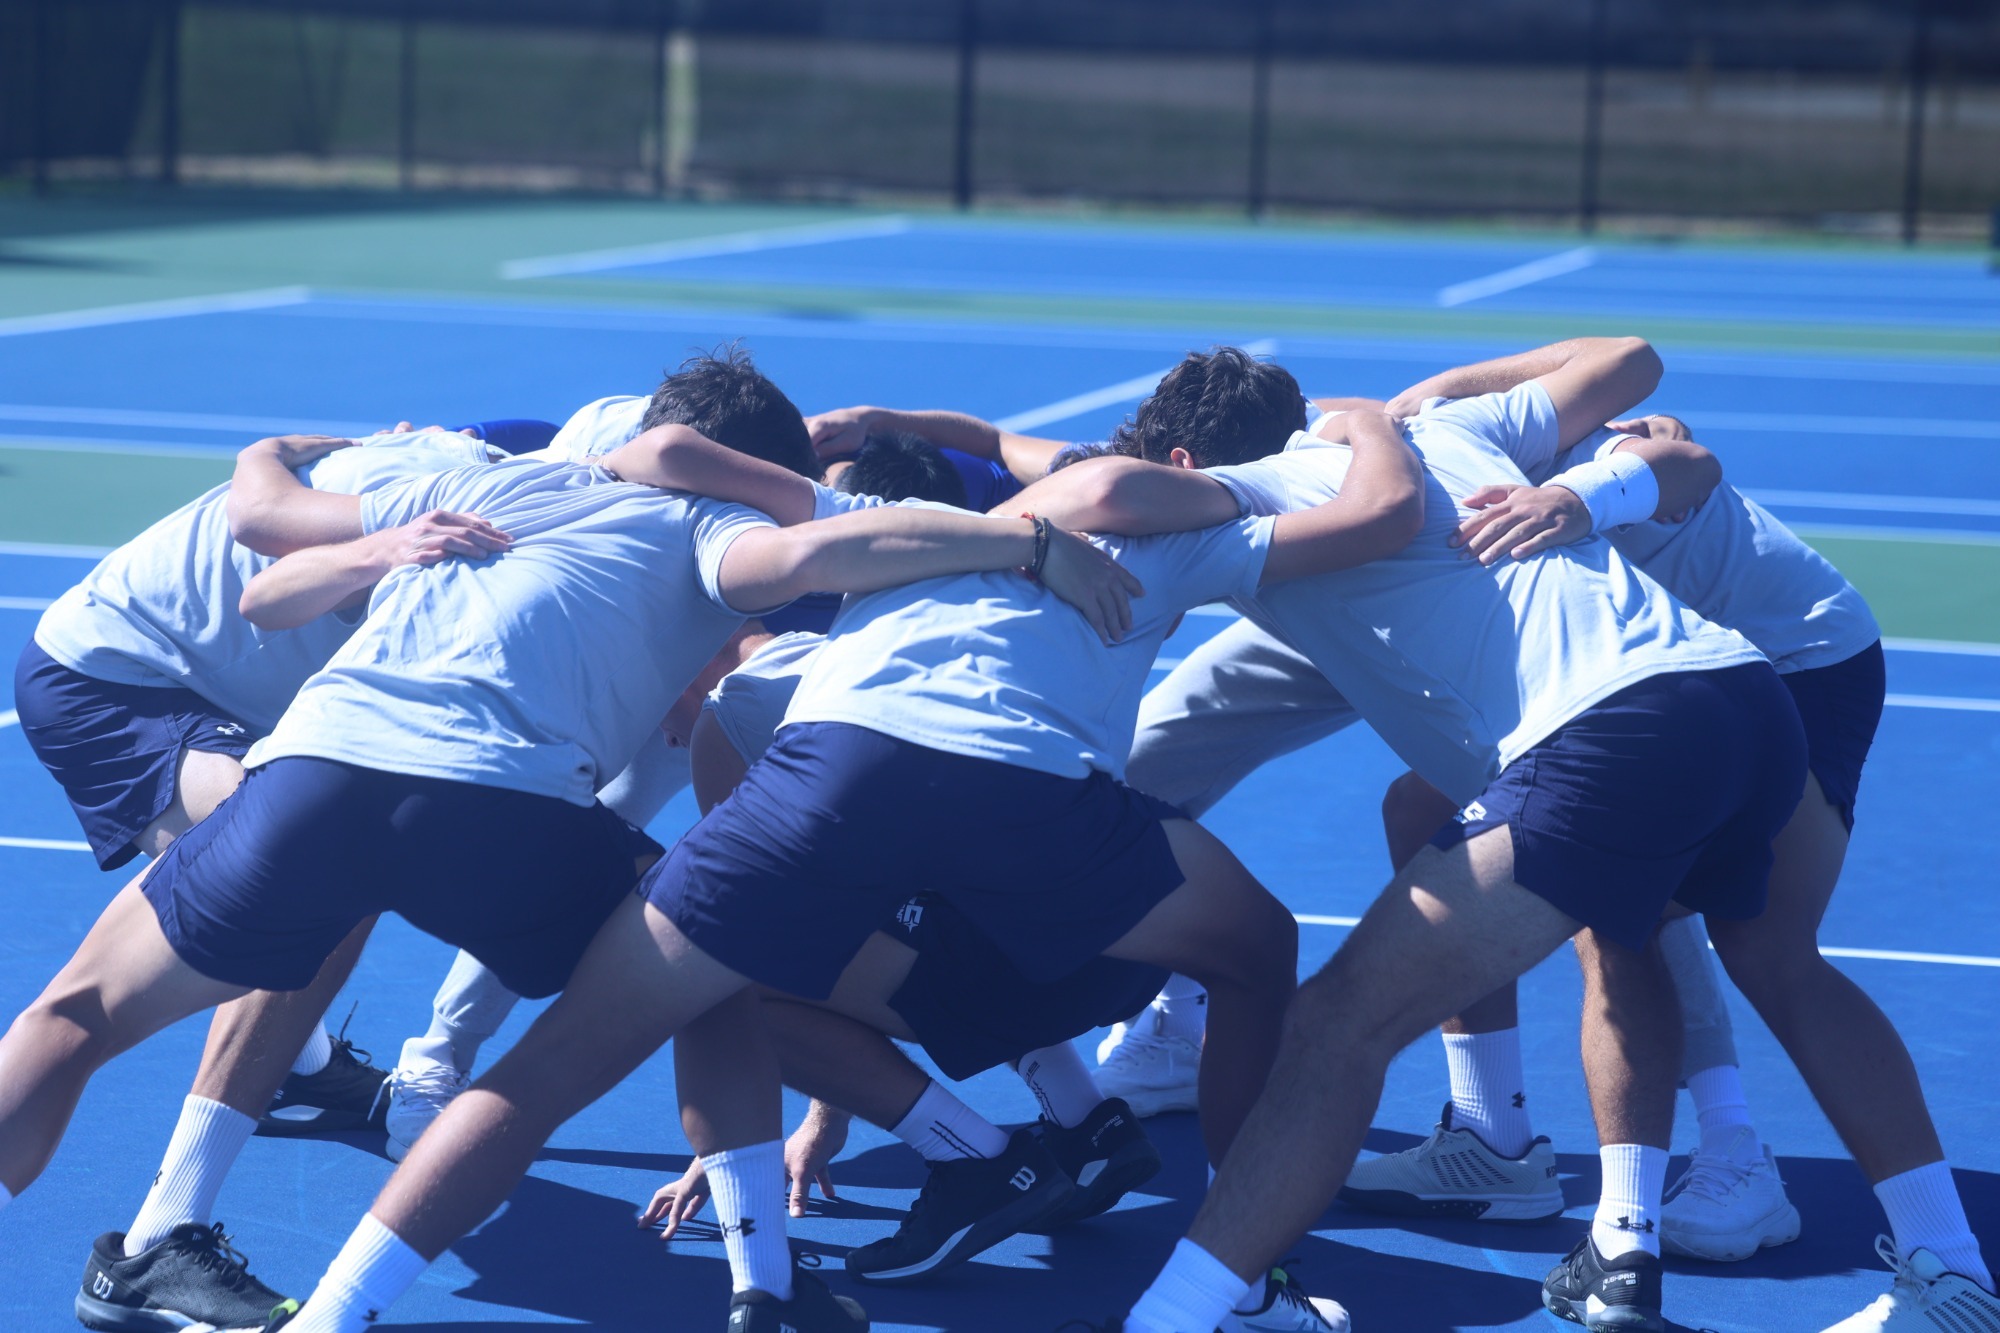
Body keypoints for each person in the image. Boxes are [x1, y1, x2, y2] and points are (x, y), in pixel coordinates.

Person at [248, 402, 1422, 1333]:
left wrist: (578, 487)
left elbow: (660, 446)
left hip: (828, 768)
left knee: (557, 1057)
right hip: (1014, 782)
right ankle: (1239, 1280)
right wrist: (1363, 425)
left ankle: (334, 1314)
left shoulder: (889, 513)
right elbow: (1375, 518)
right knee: (1256, 947)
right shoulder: (1181, 524)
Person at [1016, 337, 1820, 1332]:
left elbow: (1103, 495)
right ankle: (1638, 1236)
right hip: (1741, 698)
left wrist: (969, 530)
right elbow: (1631, 361)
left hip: (1607, 728)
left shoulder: (1249, 494)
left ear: (1182, 461)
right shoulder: (1451, 425)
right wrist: (1423, 399)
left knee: (1331, 1026)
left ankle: (1176, 1314)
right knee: (1633, 926)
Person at [11, 425, 525, 1331]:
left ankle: (301, 1061)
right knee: (318, 858)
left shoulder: (521, 484)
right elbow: (262, 547)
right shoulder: (473, 525)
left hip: (213, 682)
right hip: (118, 679)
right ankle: (154, 1246)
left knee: (326, 850)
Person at [638, 627, 1167, 1284]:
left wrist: (727, 1145)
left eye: (648, 710)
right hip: (1144, 934)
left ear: (678, 668)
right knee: (943, 887)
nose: (662, 739)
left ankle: (974, 1160)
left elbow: (754, 936)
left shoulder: (730, 714)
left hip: (1037, 968)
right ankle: (1087, 1121)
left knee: (717, 966)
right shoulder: (857, 639)